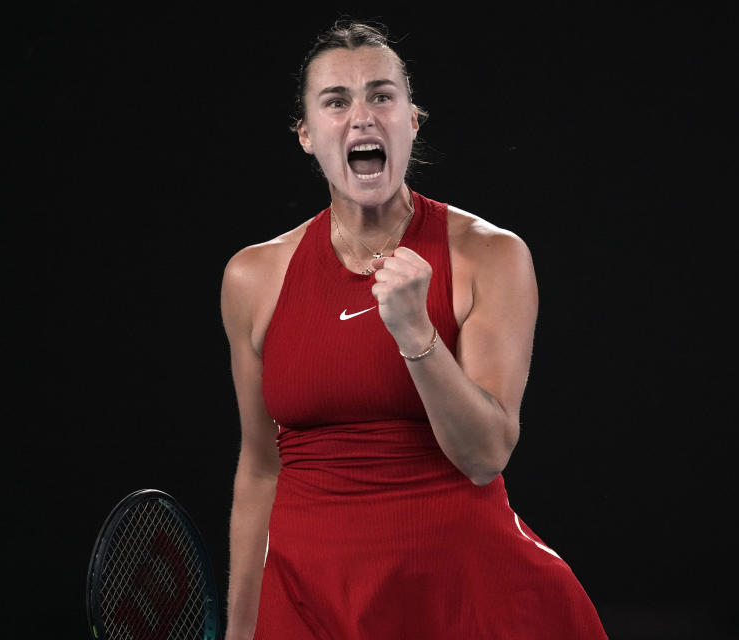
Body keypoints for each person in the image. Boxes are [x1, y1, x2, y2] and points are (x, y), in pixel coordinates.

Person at [220, 21, 607, 640]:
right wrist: (240, 632)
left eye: (382, 95)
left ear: (412, 121)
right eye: (336, 101)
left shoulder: (492, 257)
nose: (362, 116)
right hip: (307, 604)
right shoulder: (253, 277)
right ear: (307, 135)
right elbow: (260, 469)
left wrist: (414, 333)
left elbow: (485, 456)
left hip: (462, 599)